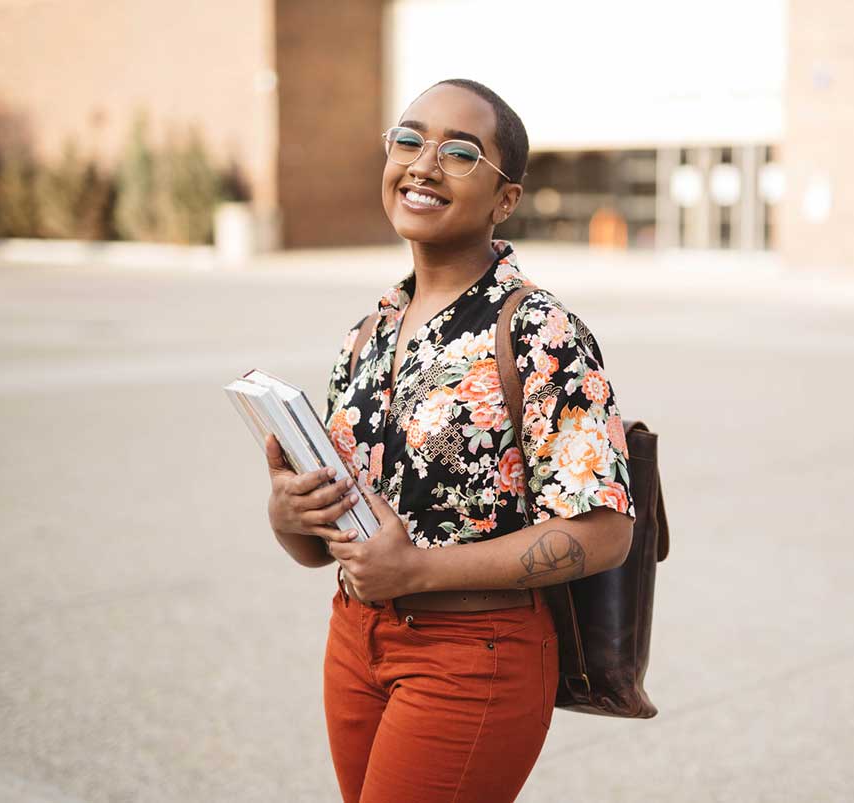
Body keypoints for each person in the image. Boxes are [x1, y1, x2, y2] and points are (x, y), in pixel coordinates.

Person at [262, 78, 636, 803]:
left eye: (461, 152)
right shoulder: (366, 335)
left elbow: (605, 532)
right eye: (409, 139)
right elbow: (325, 543)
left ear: (506, 199)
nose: (424, 164)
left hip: (475, 652)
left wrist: (419, 572)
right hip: (355, 639)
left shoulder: (540, 332)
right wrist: (287, 518)